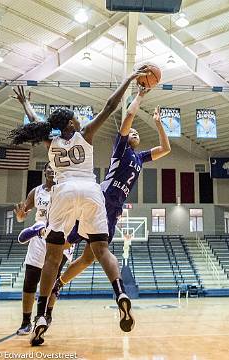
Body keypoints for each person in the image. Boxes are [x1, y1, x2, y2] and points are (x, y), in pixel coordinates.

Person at [9, 69, 147, 346]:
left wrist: (26, 105)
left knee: (52, 257)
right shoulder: (85, 134)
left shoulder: (52, 141)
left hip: (64, 191)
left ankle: (42, 317)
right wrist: (130, 79)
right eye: (74, 116)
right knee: (101, 250)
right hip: (91, 191)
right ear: (72, 123)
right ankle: (119, 292)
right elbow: (110, 106)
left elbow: (37, 122)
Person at [45, 88, 171, 315]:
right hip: (99, 200)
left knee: (89, 257)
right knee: (65, 243)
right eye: (130, 132)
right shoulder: (121, 148)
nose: (133, 132)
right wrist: (140, 96)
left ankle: (58, 285)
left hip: (114, 208)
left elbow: (166, 149)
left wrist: (158, 123)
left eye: (136, 133)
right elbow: (128, 117)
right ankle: (49, 274)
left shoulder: (140, 158)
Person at [14, 162, 75, 336]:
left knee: (54, 281)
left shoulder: (66, 191)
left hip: (60, 237)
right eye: (48, 167)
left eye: (55, 168)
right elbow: (22, 214)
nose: (51, 170)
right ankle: (26, 321)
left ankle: (47, 314)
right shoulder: (36, 191)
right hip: (39, 237)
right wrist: (20, 217)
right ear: (44, 171)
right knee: (30, 279)